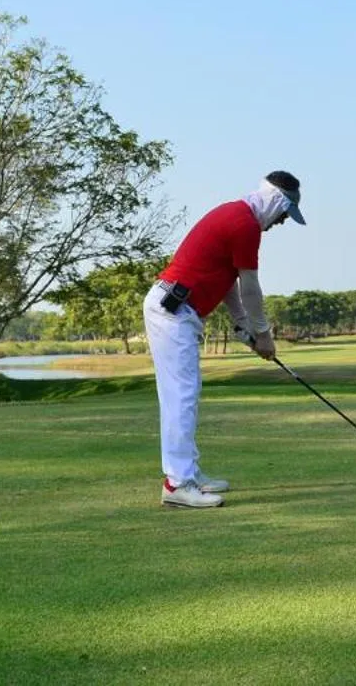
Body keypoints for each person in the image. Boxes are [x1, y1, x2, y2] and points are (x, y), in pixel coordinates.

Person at [143, 170, 305, 508]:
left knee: (186, 393)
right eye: (285, 213)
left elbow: (228, 282)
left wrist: (242, 325)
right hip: (172, 312)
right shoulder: (244, 225)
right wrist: (263, 335)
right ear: (276, 200)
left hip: (178, 311)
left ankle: (190, 474)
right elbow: (250, 287)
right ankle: (177, 484)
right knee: (180, 396)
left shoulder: (238, 216)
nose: (282, 222)